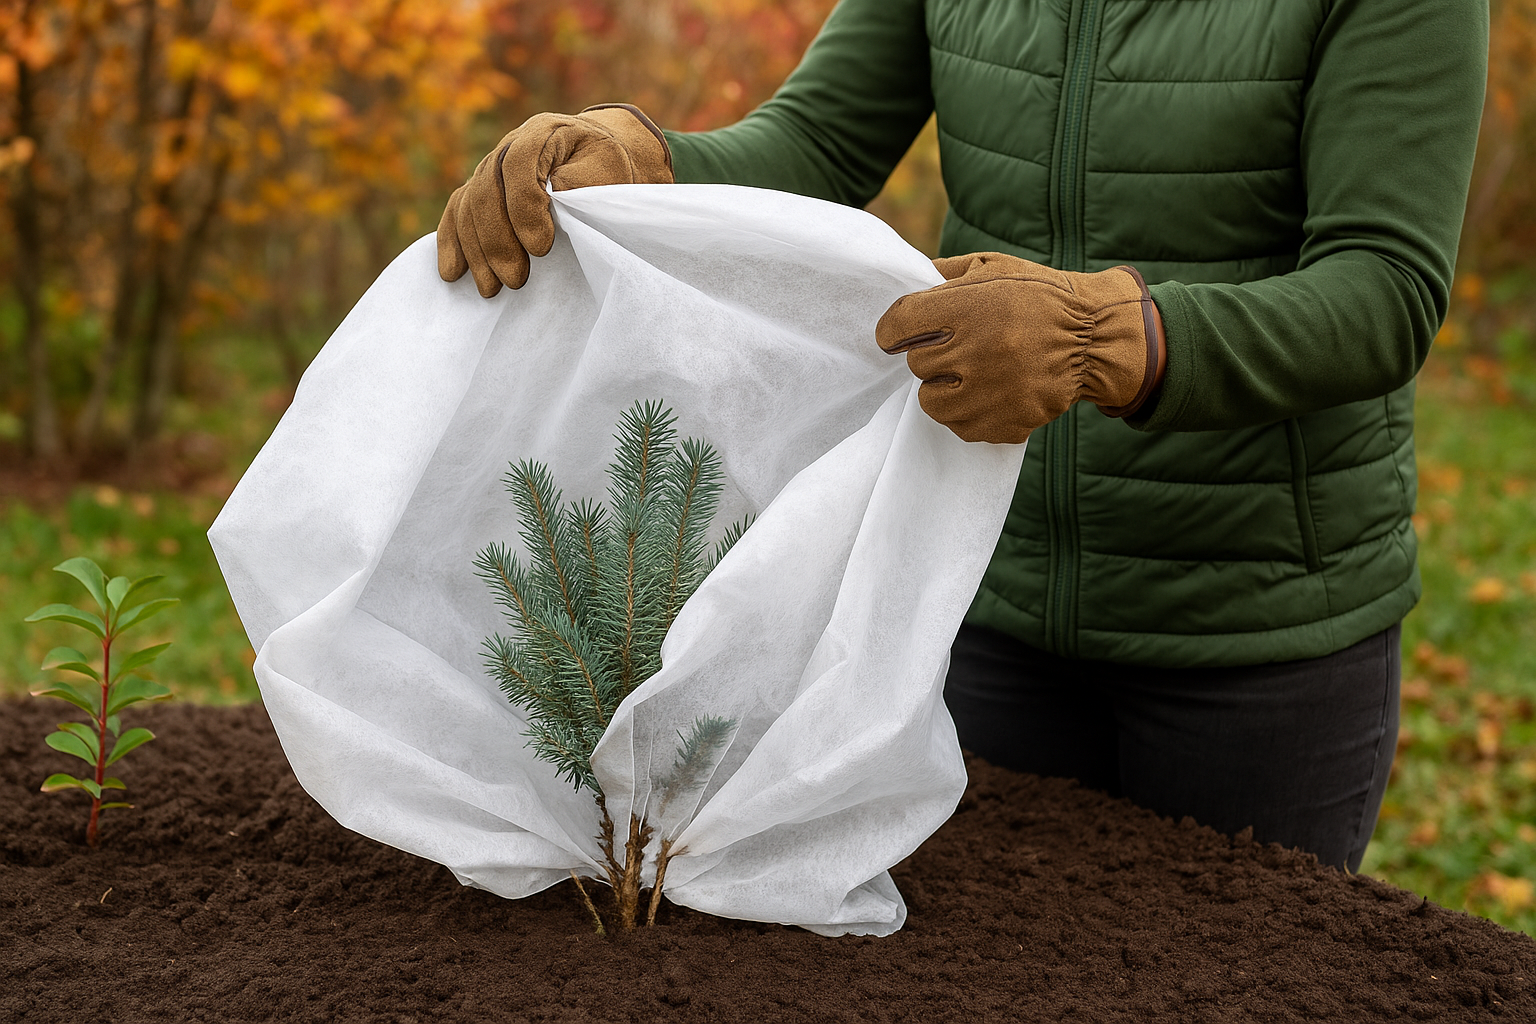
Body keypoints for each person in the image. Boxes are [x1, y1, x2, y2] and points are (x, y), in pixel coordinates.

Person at [436, 0, 1488, 872]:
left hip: (1258, 633)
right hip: (982, 583)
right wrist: (649, 163)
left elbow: (1381, 288)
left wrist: (1103, 339)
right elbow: (821, 140)